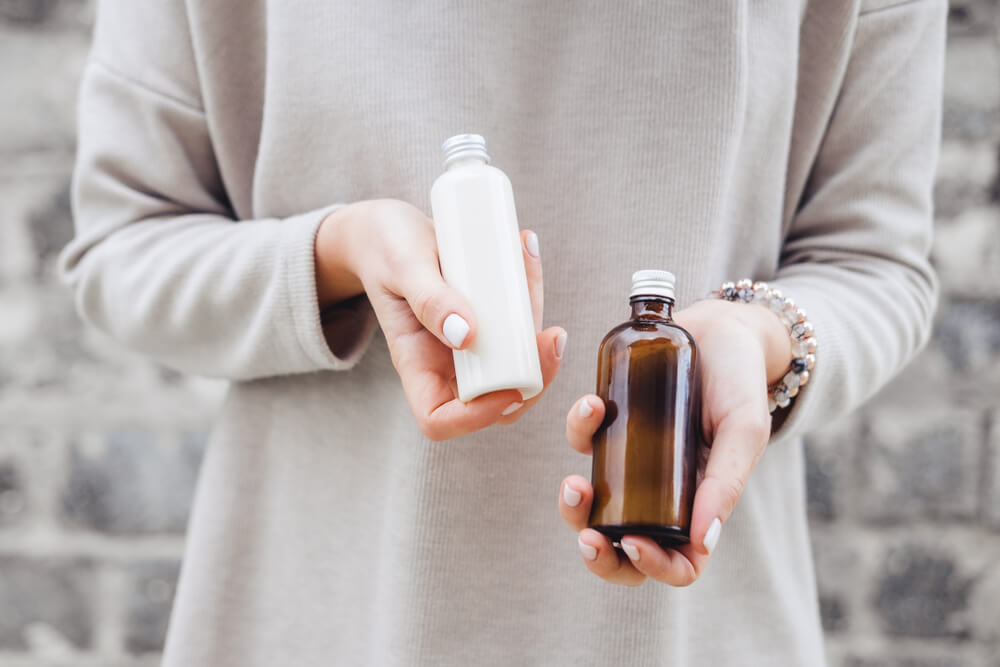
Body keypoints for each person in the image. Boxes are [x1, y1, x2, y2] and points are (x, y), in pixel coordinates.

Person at [60, 1, 946, 665]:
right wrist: (335, 257)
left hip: (694, 630)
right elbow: (122, 246)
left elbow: (876, 261)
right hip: (324, 614)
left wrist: (766, 335)